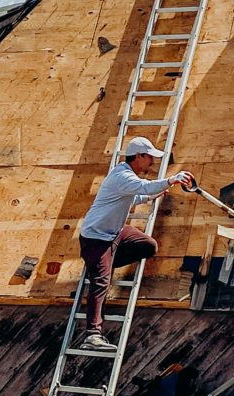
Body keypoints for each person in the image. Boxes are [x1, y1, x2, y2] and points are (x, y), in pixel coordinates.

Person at [75, 136, 195, 351]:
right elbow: (143, 187)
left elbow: (135, 197)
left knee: (148, 246)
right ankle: (92, 336)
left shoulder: (126, 177)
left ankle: (103, 263)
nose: (152, 162)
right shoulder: (122, 176)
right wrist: (171, 180)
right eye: (149, 157)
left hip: (115, 232)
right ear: (138, 156)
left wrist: (154, 195)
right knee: (100, 283)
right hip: (96, 237)